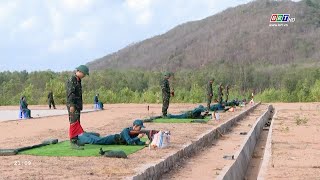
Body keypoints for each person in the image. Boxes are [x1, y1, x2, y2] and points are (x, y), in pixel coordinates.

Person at [66, 65, 89, 150]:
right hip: (73, 105)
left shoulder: (78, 80)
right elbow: (70, 93)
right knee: (73, 123)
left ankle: (76, 140)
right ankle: (73, 142)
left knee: (77, 122)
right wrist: (71, 105)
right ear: (80, 72)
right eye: (84, 74)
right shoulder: (72, 79)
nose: (85, 76)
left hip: (77, 105)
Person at [78, 120, 151, 146]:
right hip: (113, 139)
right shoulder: (126, 130)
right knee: (96, 141)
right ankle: (81, 137)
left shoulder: (135, 133)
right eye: (139, 127)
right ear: (135, 126)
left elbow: (137, 142)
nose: (140, 129)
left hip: (115, 142)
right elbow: (129, 142)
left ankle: (88, 134)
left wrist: (144, 143)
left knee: (99, 139)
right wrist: (138, 137)